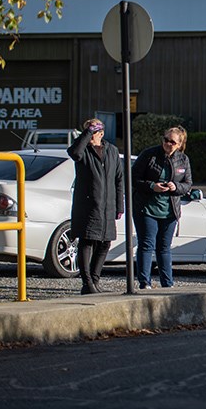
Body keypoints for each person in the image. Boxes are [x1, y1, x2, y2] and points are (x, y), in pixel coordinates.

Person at [67, 118, 124, 294]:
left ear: (102, 133)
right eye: (88, 132)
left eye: (94, 132)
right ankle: (87, 283)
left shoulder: (112, 151)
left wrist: (119, 206)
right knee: (87, 241)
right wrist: (87, 133)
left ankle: (95, 279)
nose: (92, 136)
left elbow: (119, 179)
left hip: (107, 206)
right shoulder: (83, 150)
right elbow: (74, 153)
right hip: (88, 204)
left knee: (105, 243)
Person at [132, 126, 192, 289]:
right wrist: (152, 186)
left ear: (179, 144)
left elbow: (187, 184)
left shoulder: (183, 160)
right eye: (165, 140)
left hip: (170, 210)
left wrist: (175, 187)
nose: (167, 144)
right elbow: (133, 178)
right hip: (147, 208)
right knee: (146, 244)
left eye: (172, 142)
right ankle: (145, 283)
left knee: (164, 248)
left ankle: (168, 283)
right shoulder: (149, 154)